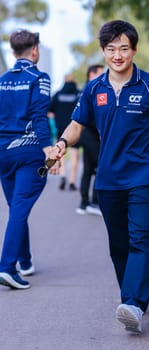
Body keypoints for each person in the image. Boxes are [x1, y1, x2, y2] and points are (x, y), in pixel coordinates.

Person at [51, 20, 149, 333]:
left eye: (124, 48)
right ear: (103, 51)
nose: (118, 54)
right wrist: (60, 143)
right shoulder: (94, 89)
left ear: (134, 50)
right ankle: (134, 299)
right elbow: (76, 125)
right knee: (118, 245)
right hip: (108, 180)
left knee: (140, 238)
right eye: (111, 49)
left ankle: (133, 303)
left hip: (142, 176)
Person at [0, 29, 55, 289]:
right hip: (30, 154)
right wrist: (48, 150)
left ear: (13, 52)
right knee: (20, 208)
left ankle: (25, 261)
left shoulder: (1, 81)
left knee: (16, 209)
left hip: (3, 154)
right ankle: (7, 267)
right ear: (35, 50)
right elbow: (38, 116)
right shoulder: (39, 77)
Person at [76, 64, 104, 216]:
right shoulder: (91, 90)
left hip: (88, 136)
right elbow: (90, 116)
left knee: (88, 170)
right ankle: (93, 202)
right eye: (100, 73)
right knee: (100, 168)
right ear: (92, 74)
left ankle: (84, 203)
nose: (103, 76)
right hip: (91, 135)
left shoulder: (88, 89)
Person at [48, 74, 82, 191]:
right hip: (74, 127)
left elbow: (50, 111)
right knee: (74, 154)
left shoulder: (58, 94)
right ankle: (72, 181)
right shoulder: (78, 93)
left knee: (60, 151)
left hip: (60, 127)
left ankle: (63, 176)